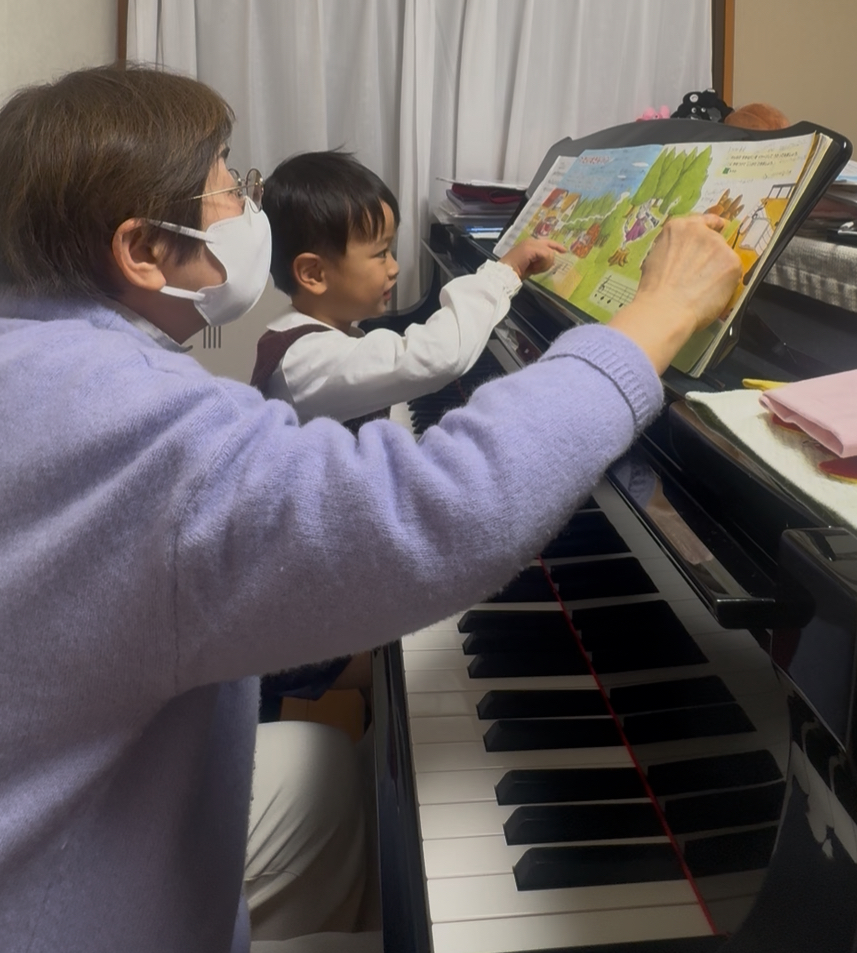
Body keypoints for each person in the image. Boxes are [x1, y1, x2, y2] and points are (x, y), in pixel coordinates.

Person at [0, 64, 741, 953]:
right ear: (144, 249)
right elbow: (439, 508)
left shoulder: (39, 359)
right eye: (231, 186)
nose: (250, 208)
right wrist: (655, 315)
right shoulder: (106, 409)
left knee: (321, 769)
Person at [253, 150, 562, 422]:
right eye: (381, 254)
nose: (395, 267)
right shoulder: (307, 362)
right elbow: (439, 355)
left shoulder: (315, 342)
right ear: (314, 274)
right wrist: (505, 273)